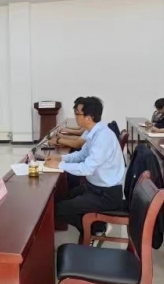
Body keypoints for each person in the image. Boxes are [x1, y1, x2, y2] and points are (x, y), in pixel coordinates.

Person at [46, 97, 125, 238]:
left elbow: (87, 168)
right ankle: (92, 225)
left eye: (77, 113)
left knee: (60, 209)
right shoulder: (93, 132)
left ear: (89, 118)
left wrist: (59, 165)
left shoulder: (102, 137)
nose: (75, 116)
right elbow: (82, 155)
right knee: (62, 197)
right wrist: (61, 158)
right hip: (94, 187)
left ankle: (97, 228)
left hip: (106, 194)